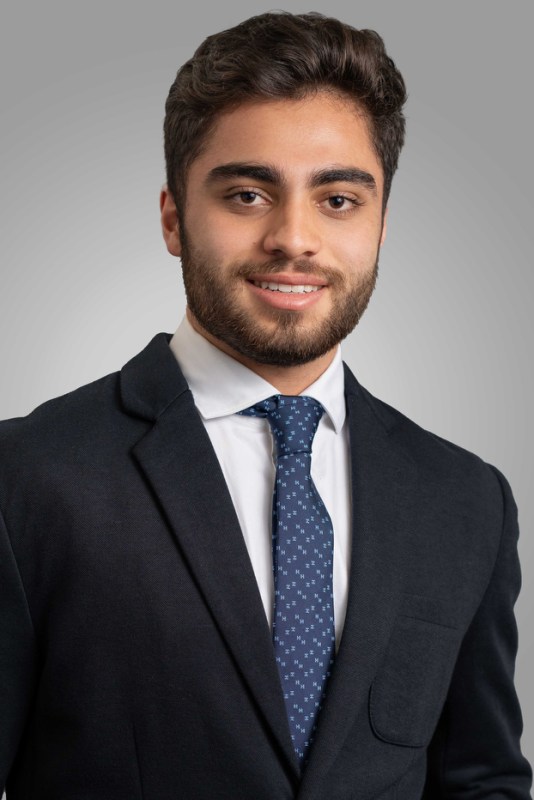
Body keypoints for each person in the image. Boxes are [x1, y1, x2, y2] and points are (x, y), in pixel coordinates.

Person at [0, 10, 531, 799]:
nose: (294, 237)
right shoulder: (28, 479)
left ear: (382, 225)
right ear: (175, 219)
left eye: (339, 200)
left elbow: (482, 780)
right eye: (248, 194)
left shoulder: (464, 500)